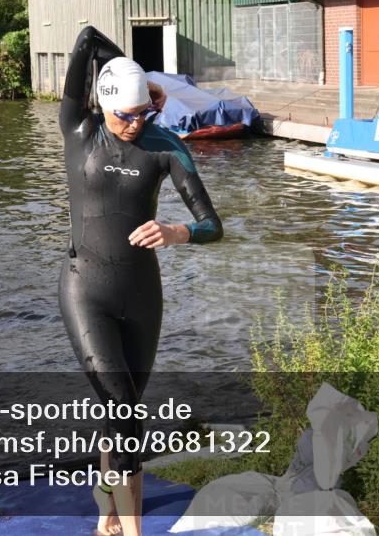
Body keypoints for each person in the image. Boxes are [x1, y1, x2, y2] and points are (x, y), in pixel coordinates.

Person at [58, 27, 223, 536]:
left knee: (120, 413)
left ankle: (107, 506)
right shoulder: (79, 130)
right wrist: (137, 74)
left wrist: (177, 232)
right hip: (84, 288)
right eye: (125, 114)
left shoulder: (164, 145)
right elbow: (85, 38)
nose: (134, 124)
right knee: (122, 405)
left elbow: (212, 224)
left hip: (140, 295)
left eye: (142, 114)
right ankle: (133, 530)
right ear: (105, 104)